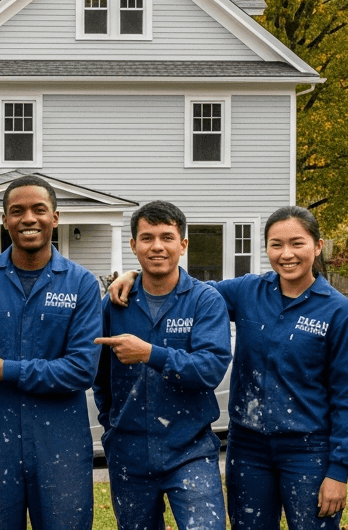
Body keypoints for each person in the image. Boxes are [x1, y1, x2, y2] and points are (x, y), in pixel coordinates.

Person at [110, 205, 348, 529]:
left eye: (297, 243)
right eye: (276, 244)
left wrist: (337, 471)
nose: (286, 254)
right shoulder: (248, 291)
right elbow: (182, 291)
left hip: (309, 449)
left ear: (317, 246)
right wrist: (136, 276)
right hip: (248, 448)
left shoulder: (339, 312)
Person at [0, 175, 102, 530]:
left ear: (55, 218)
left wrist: (8, 370)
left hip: (62, 448)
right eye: (17, 211)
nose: (29, 218)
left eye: (39, 209)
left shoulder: (81, 283)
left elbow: (81, 370)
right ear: (4, 220)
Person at [93, 200, 232, 530]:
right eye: (147, 237)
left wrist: (149, 354)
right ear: (133, 245)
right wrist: (112, 427)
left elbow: (210, 368)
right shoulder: (115, 305)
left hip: (190, 451)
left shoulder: (204, 300)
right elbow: (100, 377)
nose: (157, 246)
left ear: (183, 245)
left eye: (167, 237)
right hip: (128, 454)